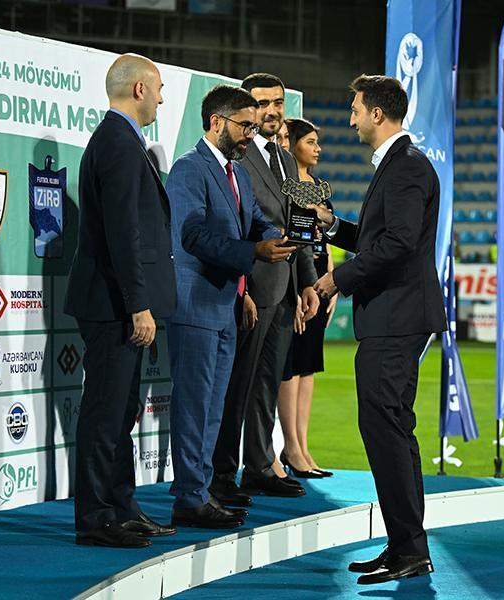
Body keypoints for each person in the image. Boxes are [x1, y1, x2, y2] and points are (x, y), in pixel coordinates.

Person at [309, 75, 445, 584]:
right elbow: (381, 238)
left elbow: (399, 244)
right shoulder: (399, 164)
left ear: (378, 114)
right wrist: (334, 227)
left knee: (386, 431)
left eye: (355, 109)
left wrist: (335, 280)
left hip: (396, 317)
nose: (350, 119)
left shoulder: (406, 166)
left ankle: (409, 548)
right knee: (390, 431)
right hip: (393, 316)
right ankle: (405, 546)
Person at [165, 84, 295, 529]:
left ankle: (201, 492)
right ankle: (189, 497)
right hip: (194, 304)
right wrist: (254, 252)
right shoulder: (189, 168)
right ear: (216, 121)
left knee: (213, 408)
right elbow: (191, 235)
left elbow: (256, 222)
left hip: (224, 305)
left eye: (254, 128)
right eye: (244, 126)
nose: (250, 135)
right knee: (193, 406)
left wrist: (284, 237)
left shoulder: (236, 173)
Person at [64, 54, 177, 548]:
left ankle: (121, 507)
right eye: (159, 89)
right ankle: (95, 518)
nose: (161, 99)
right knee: (105, 414)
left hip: (116, 302)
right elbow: (123, 234)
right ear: (139, 89)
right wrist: (138, 304)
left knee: (120, 412)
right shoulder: (117, 142)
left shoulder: (121, 140)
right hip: (112, 306)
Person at [211, 73, 319, 503]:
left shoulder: (287, 159)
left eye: (277, 102)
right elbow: (233, 225)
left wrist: (307, 281)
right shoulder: (236, 154)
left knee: (267, 384)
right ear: (246, 108)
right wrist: (243, 290)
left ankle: (258, 465)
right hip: (252, 288)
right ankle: (222, 472)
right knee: (237, 385)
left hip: (286, 288)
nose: (271, 111)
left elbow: (299, 222)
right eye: (262, 103)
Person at [277, 118, 335, 479]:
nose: (317, 148)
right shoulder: (286, 186)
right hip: (296, 282)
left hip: (318, 283)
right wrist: (300, 288)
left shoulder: (318, 189)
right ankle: (291, 447)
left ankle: (302, 444)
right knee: (292, 366)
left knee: (309, 365)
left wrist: (330, 282)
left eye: (317, 142)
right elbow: (292, 241)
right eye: (310, 142)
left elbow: (325, 240)